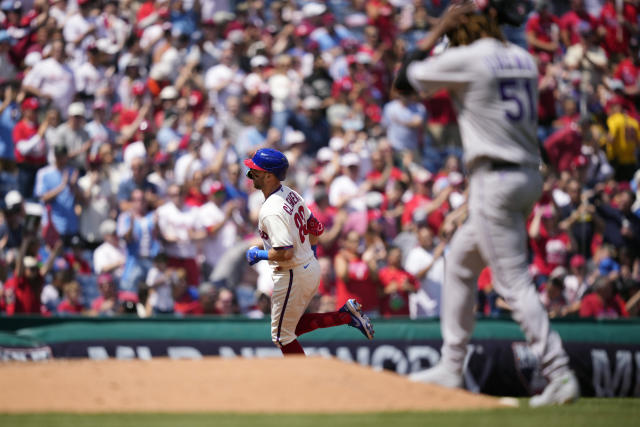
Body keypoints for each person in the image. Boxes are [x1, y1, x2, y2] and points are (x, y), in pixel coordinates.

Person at [394, 0, 579, 407]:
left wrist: (435, 31)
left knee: (512, 282)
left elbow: (405, 81)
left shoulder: (469, 58)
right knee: (459, 259)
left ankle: (559, 371)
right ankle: (450, 365)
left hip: (493, 177)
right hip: (526, 173)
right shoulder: (523, 58)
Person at [244, 148, 374, 356]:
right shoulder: (291, 194)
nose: (250, 175)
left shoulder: (271, 210)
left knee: (281, 337)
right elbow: (316, 228)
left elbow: (284, 252)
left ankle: (302, 381)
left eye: (255, 171)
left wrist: (258, 255)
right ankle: (346, 317)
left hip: (292, 273)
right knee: (290, 328)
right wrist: (310, 252)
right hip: (309, 268)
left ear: (269, 176)